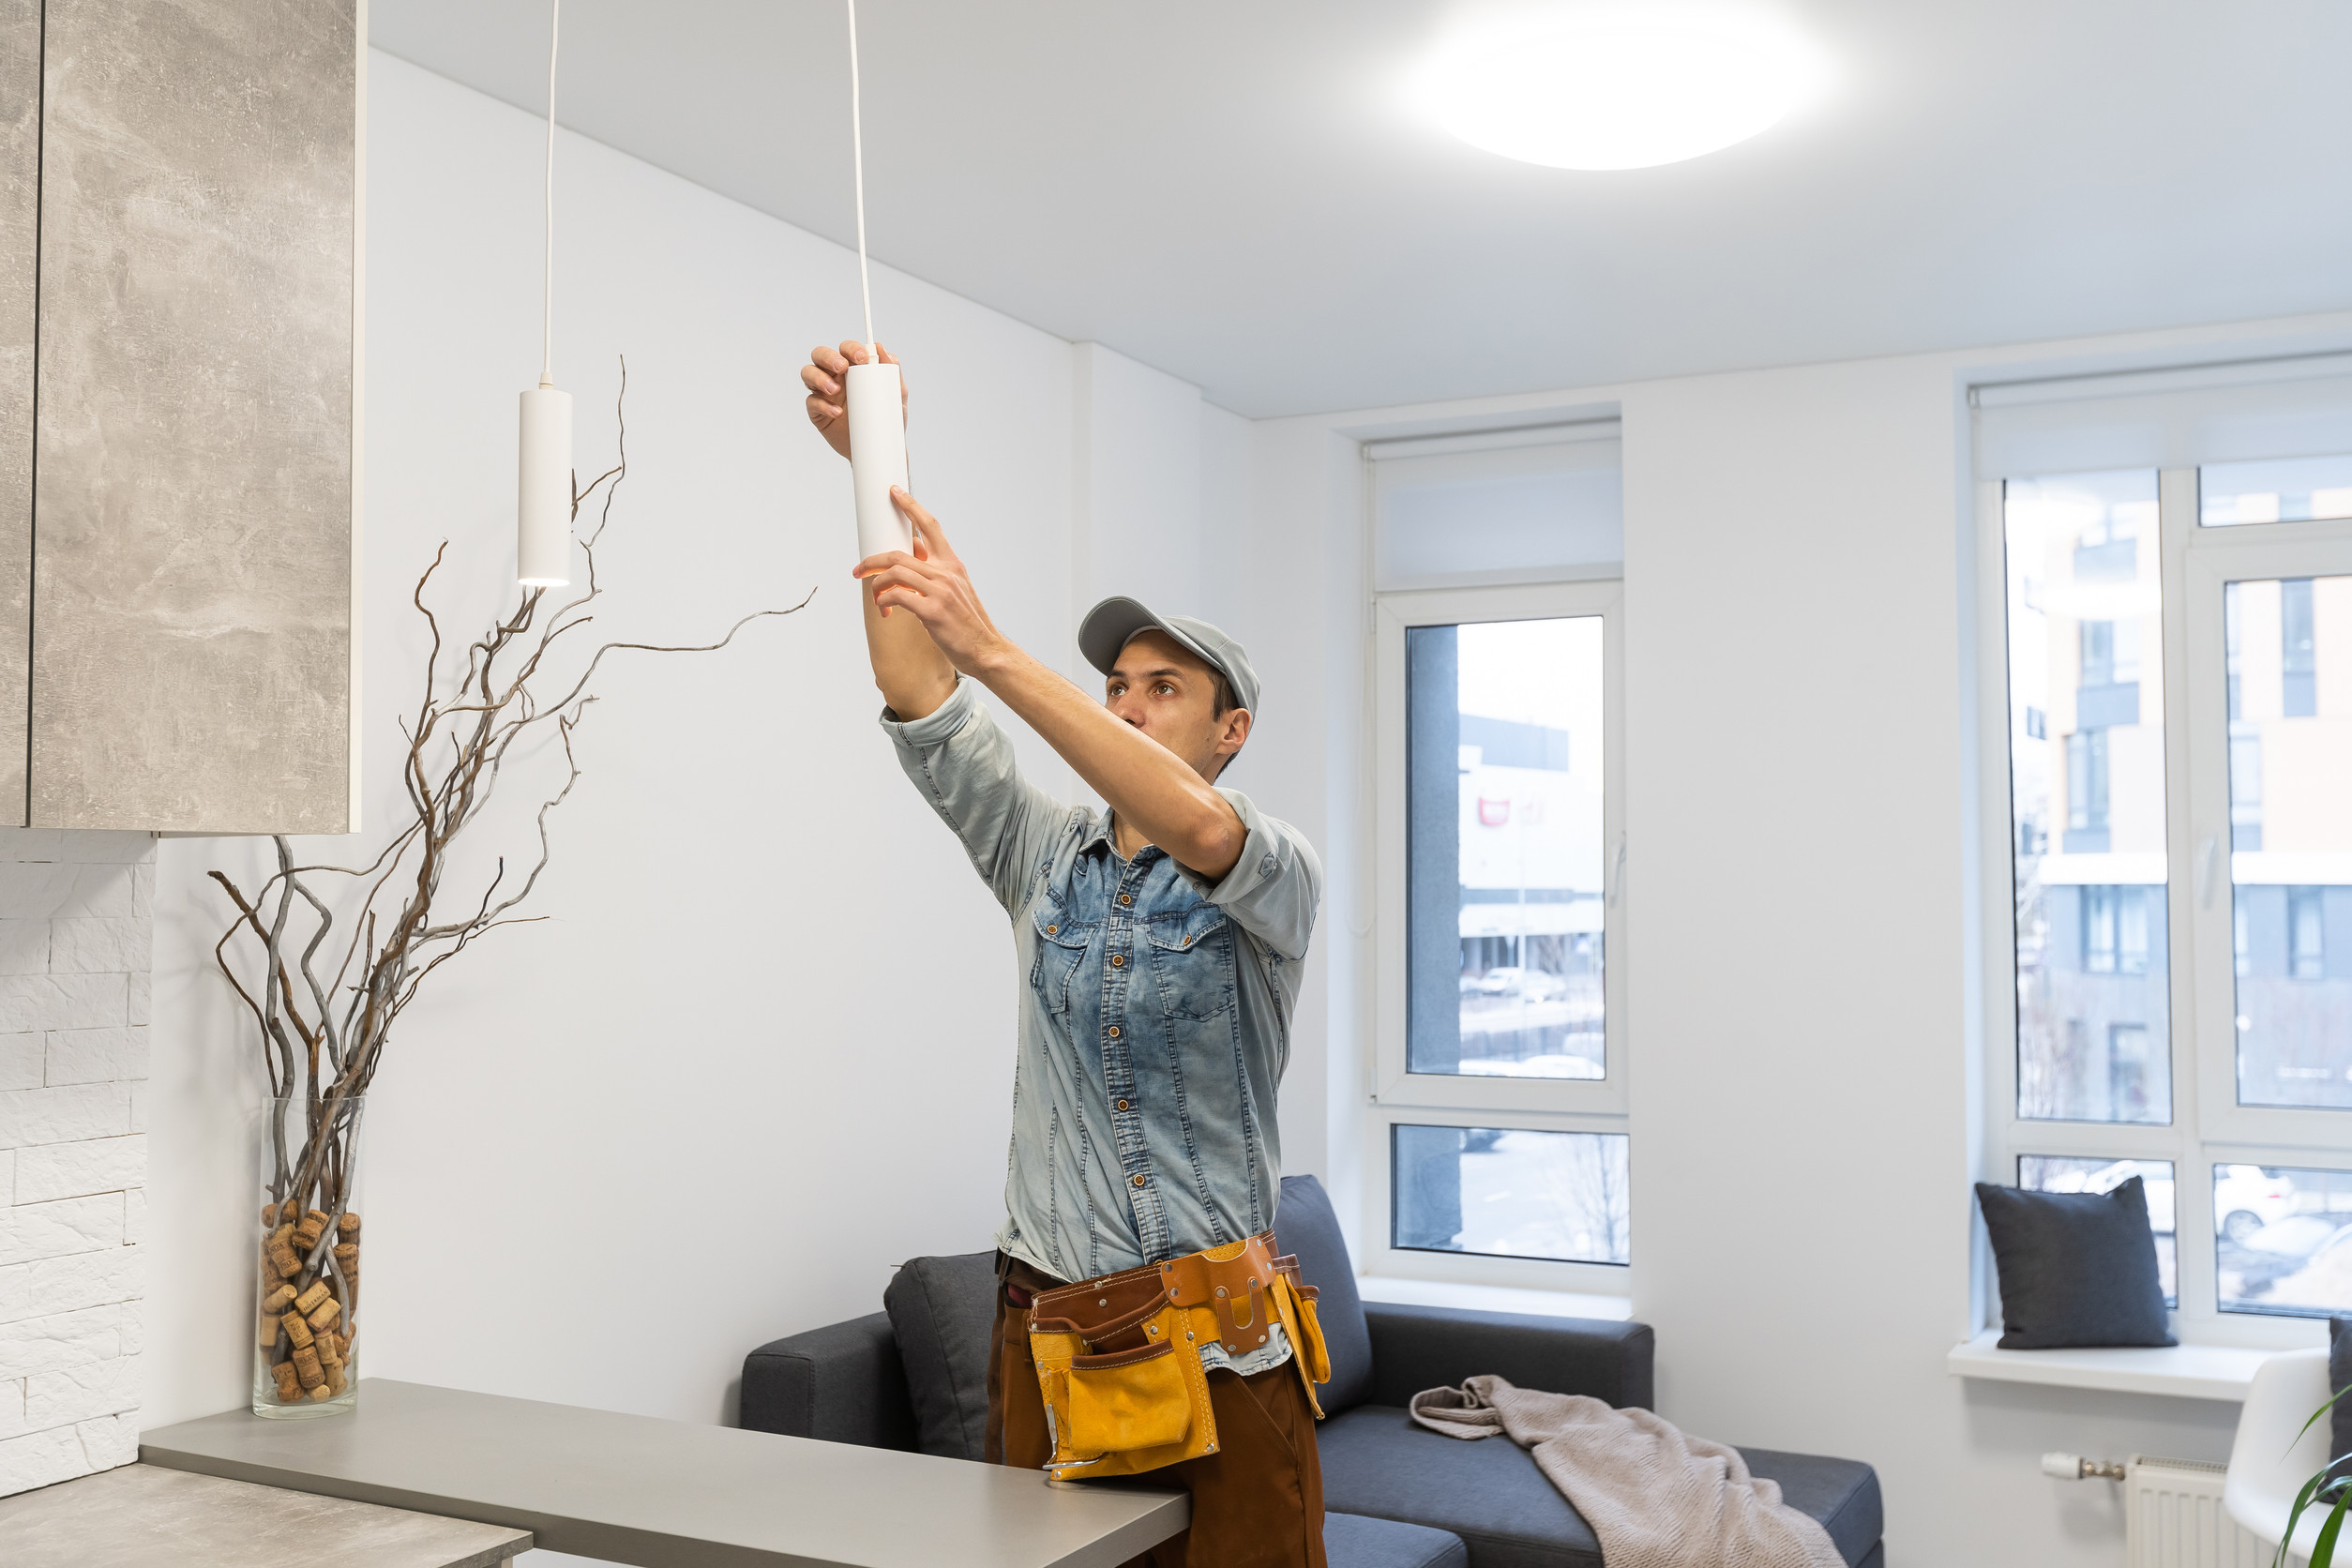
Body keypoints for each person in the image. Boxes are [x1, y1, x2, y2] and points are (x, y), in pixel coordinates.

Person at [801, 340, 1328, 1568]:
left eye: (1164, 688)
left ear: (1232, 729)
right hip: (1049, 1333)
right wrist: (874, 462)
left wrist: (995, 650)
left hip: (1224, 1342)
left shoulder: (1274, 867)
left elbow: (1200, 830)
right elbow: (922, 696)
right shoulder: (1043, 855)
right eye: (1118, 686)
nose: (1127, 703)